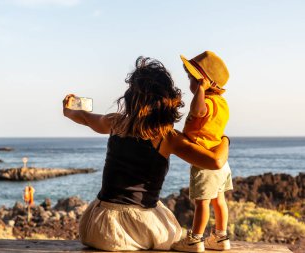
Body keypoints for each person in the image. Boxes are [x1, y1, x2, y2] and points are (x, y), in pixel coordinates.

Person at [62, 56, 229, 251]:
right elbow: (216, 162)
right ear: (168, 100)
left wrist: (68, 110)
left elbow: (84, 117)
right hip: (140, 226)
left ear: (131, 97)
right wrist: (225, 140)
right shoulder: (168, 137)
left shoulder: (115, 122)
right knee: (176, 235)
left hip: (99, 228)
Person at [172, 51, 233, 252]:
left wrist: (200, 90)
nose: (189, 83)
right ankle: (220, 237)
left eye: (192, 79)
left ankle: (195, 240)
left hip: (204, 159)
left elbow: (198, 112)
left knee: (202, 203)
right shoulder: (222, 103)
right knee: (219, 200)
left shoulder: (206, 101)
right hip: (220, 160)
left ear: (203, 82)